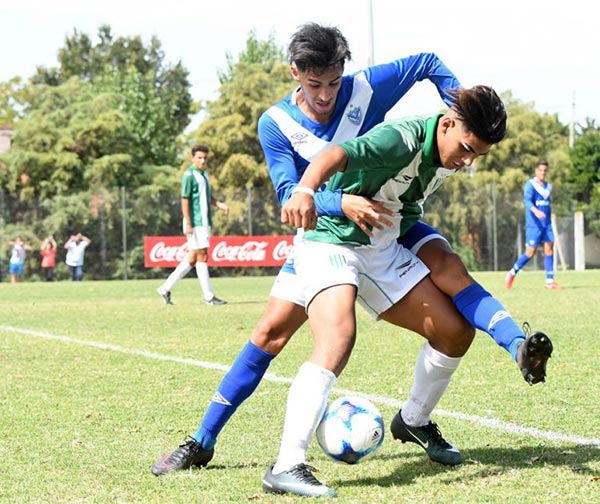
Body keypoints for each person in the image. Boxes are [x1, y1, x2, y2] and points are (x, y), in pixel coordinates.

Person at [150, 24, 549, 481]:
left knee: (452, 304)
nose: (325, 95)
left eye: (333, 82)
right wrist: (338, 200)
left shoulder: (371, 94)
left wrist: (461, 108)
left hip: (387, 224)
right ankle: (204, 441)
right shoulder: (276, 124)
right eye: (313, 84)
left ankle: (424, 414)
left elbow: (426, 63)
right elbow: (291, 199)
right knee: (271, 336)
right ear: (295, 72)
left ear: (344, 71)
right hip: (326, 233)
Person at [263, 86, 513, 498]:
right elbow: (335, 155)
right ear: (447, 123)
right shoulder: (400, 138)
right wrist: (305, 191)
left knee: (454, 331)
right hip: (330, 240)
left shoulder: (448, 153)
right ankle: (287, 464)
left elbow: (404, 201)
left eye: (477, 156)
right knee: (338, 338)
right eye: (467, 148)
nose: (468, 161)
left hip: (379, 246)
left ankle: (413, 420)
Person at [156, 144, 229, 306]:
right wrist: (188, 222)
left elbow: (207, 197)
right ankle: (209, 297)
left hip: (204, 221)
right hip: (195, 222)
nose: (202, 161)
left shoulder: (204, 175)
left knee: (193, 258)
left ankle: (165, 288)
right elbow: (185, 199)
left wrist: (219, 204)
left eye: (205, 158)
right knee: (202, 255)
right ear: (193, 158)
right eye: (199, 158)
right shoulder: (189, 175)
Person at [505, 160, 562, 290]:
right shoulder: (530, 185)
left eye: (545, 170)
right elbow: (527, 201)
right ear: (536, 171)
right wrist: (536, 211)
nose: (542, 172)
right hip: (534, 225)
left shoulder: (548, 187)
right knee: (530, 253)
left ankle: (549, 282)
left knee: (549, 250)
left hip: (546, 224)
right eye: (540, 170)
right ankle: (512, 273)